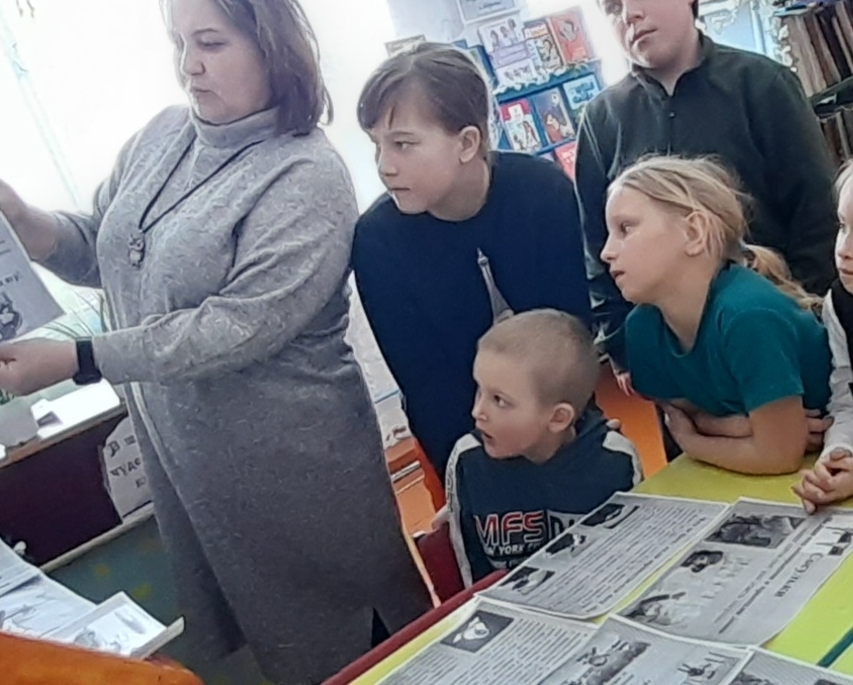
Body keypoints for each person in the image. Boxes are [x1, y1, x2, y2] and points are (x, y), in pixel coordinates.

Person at [0, 0, 429, 684]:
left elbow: (234, 327)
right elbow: (107, 249)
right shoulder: (162, 137)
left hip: (297, 472)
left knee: (357, 651)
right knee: (263, 651)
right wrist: (28, 225)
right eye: (180, 43)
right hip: (195, 468)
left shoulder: (304, 171)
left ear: (271, 45)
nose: (190, 66)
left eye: (211, 43)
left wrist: (81, 358)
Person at [577, 0, 837, 379]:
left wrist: (804, 325)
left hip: (776, 340)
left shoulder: (763, 86)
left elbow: (816, 218)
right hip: (674, 359)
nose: (629, 13)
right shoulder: (602, 120)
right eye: (612, 7)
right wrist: (624, 351)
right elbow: (598, 247)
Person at [352, 43, 592, 475]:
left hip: (565, 428)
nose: (384, 166)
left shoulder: (545, 193)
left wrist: (569, 436)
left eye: (403, 144)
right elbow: (424, 381)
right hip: (462, 446)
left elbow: (573, 335)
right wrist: (474, 475)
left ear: (466, 142)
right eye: (376, 146)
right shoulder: (377, 242)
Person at [602, 156, 832, 475]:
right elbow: (687, 414)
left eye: (625, 228)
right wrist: (742, 428)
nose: (605, 252)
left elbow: (779, 456)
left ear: (694, 232)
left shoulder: (748, 315)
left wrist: (692, 442)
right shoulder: (641, 328)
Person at [446, 310, 641, 586]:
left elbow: (632, 561)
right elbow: (474, 576)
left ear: (558, 418)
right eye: (479, 390)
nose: (477, 411)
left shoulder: (614, 461)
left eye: (500, 400)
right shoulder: (468, 460)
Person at [796, 162, 853, 513]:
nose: (844, 248)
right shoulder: (840, 303)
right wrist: (838, 456)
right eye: (843, 227)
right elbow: (847, 399)